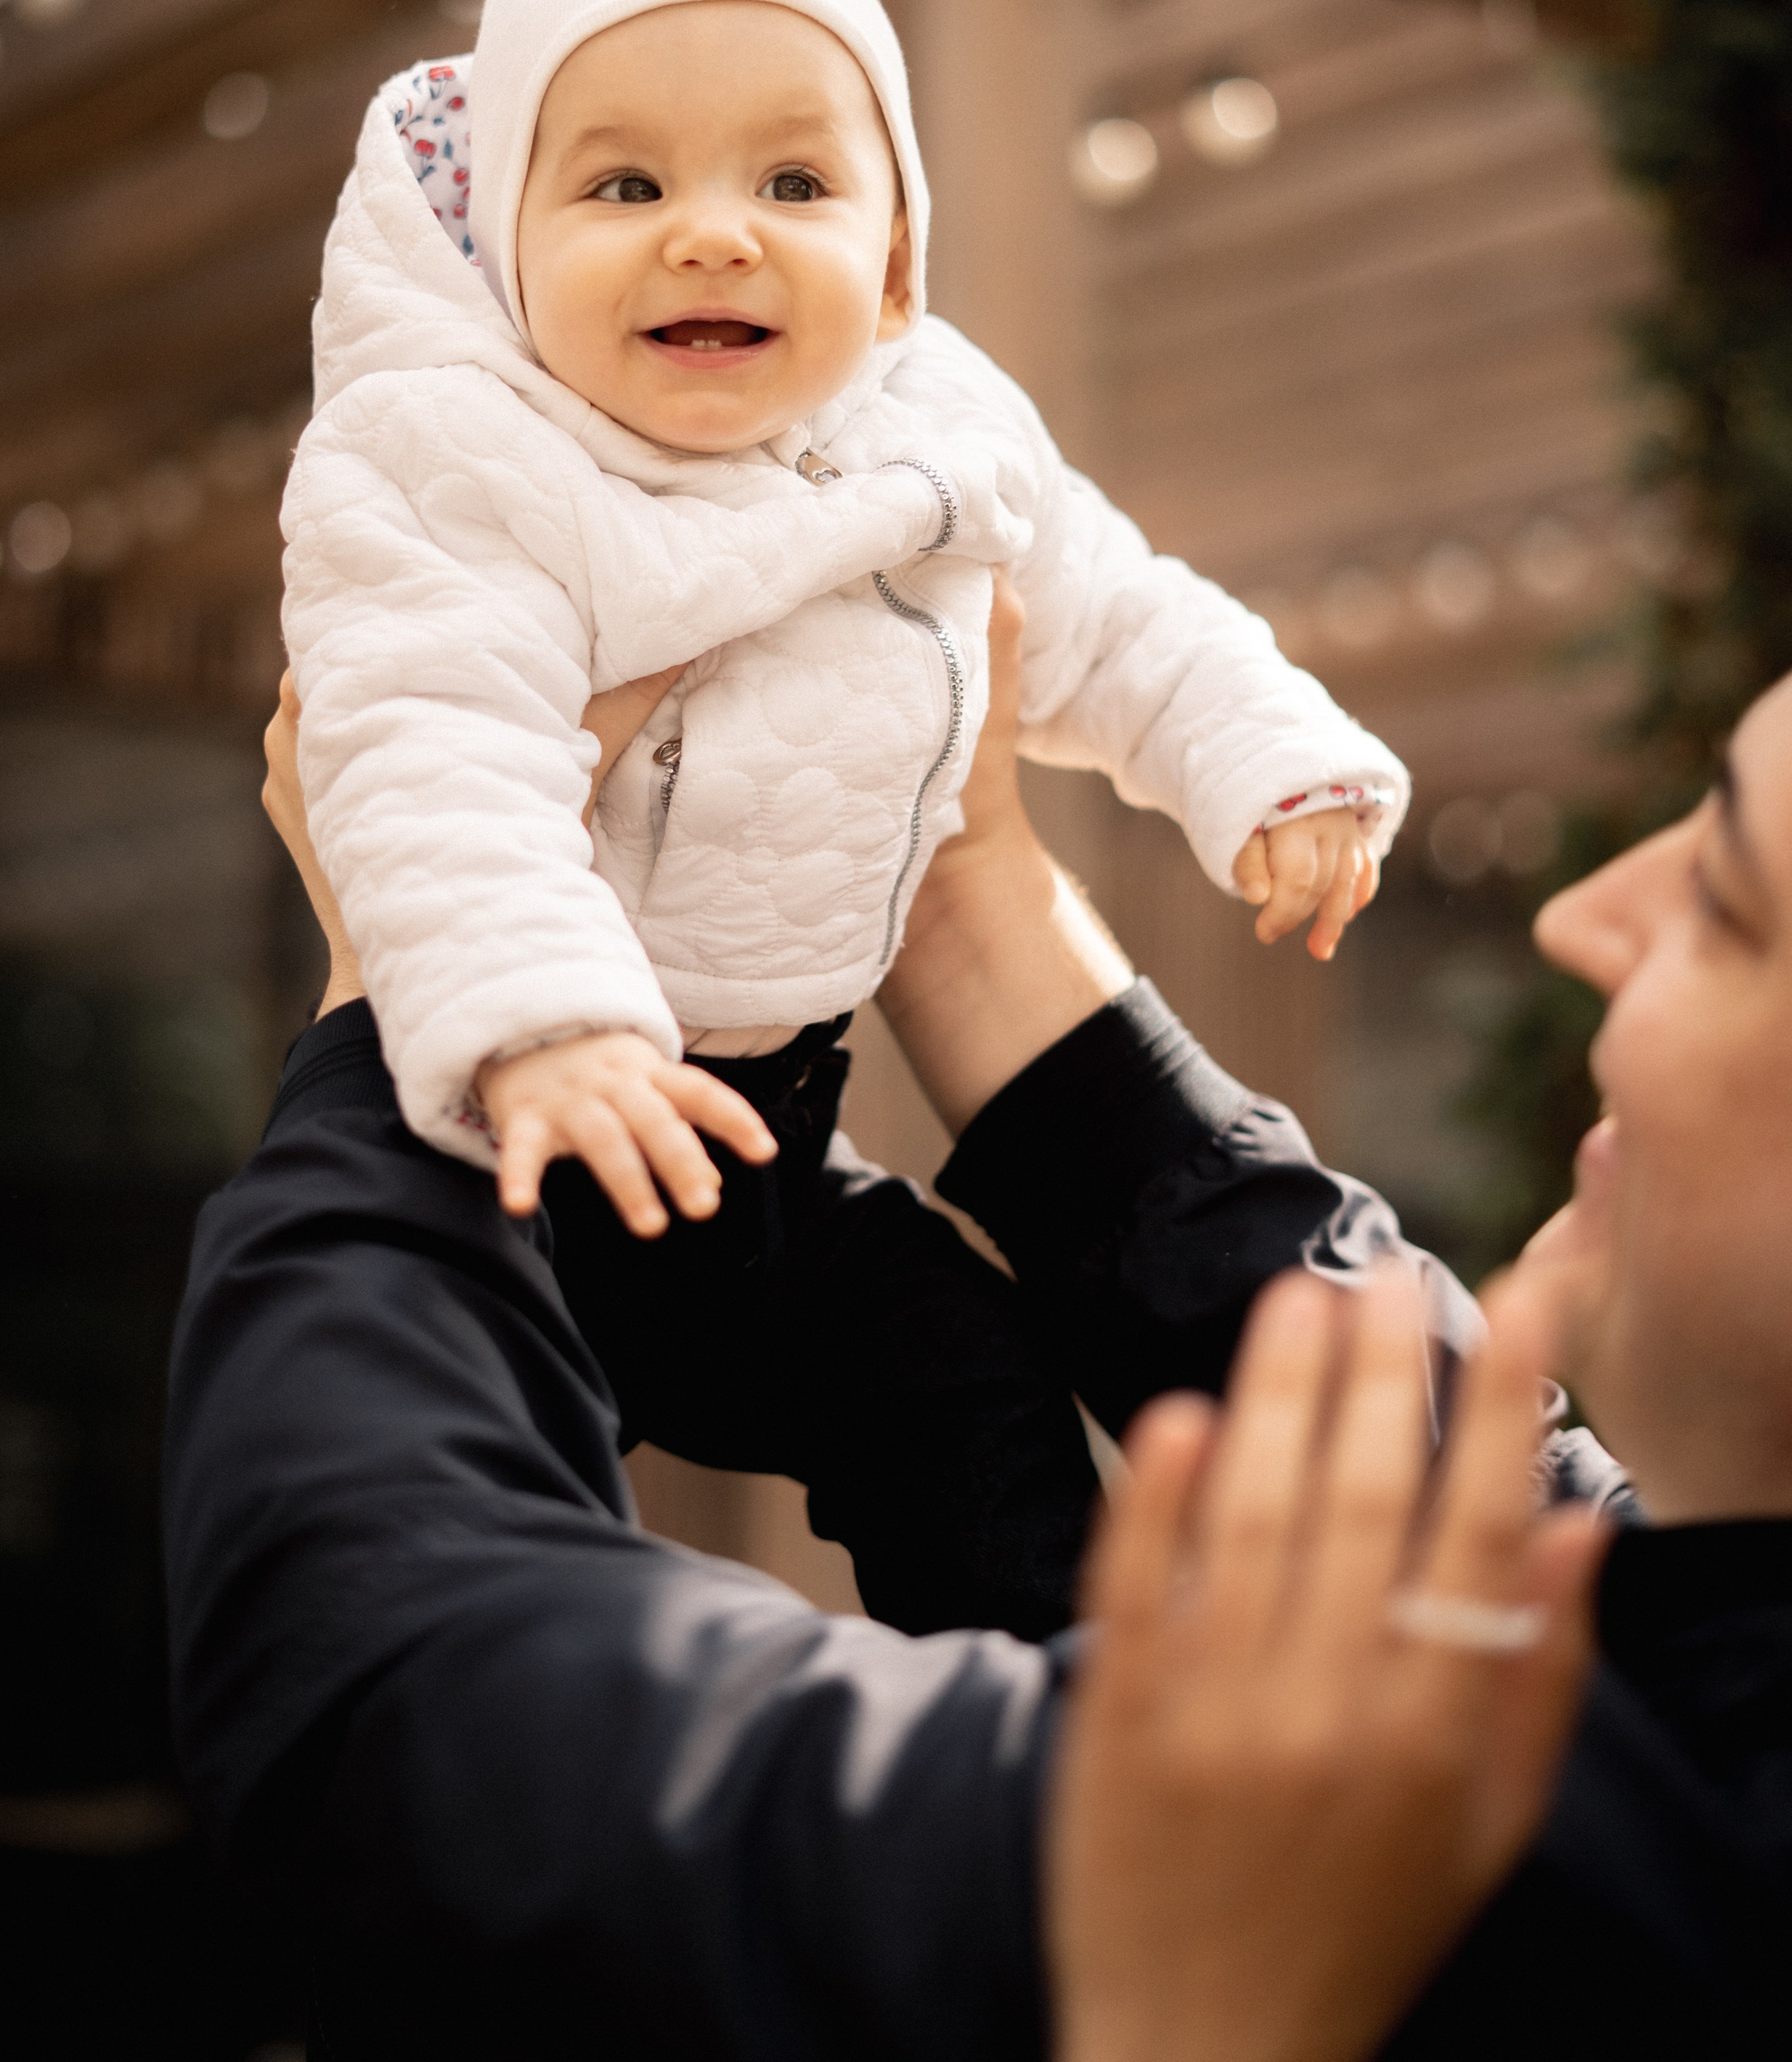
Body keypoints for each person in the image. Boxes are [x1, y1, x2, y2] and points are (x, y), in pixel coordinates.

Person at [164, 644, 1592, 2062]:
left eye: (1730, 906)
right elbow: (1486, 1512)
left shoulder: (1585, 1775)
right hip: (722, 1155)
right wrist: (960, 871)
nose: (1597, 911)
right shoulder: (1644, 1710)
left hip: (660, 1154)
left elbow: (379, 1693)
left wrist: (398, 989)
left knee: (952, 1376)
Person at [282, 0, 1408, 1283]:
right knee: (500, 1439)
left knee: (971, 1402)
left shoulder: (940, 424)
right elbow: (435, 747)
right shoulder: (466, 460)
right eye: (625, 185)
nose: (713, 234)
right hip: (531, 1115)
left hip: (782, 1123)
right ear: (507, 255)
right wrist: (540, 1024)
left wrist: (1276, 758)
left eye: (795, 184)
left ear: (891, 269)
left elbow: (1114, 611)